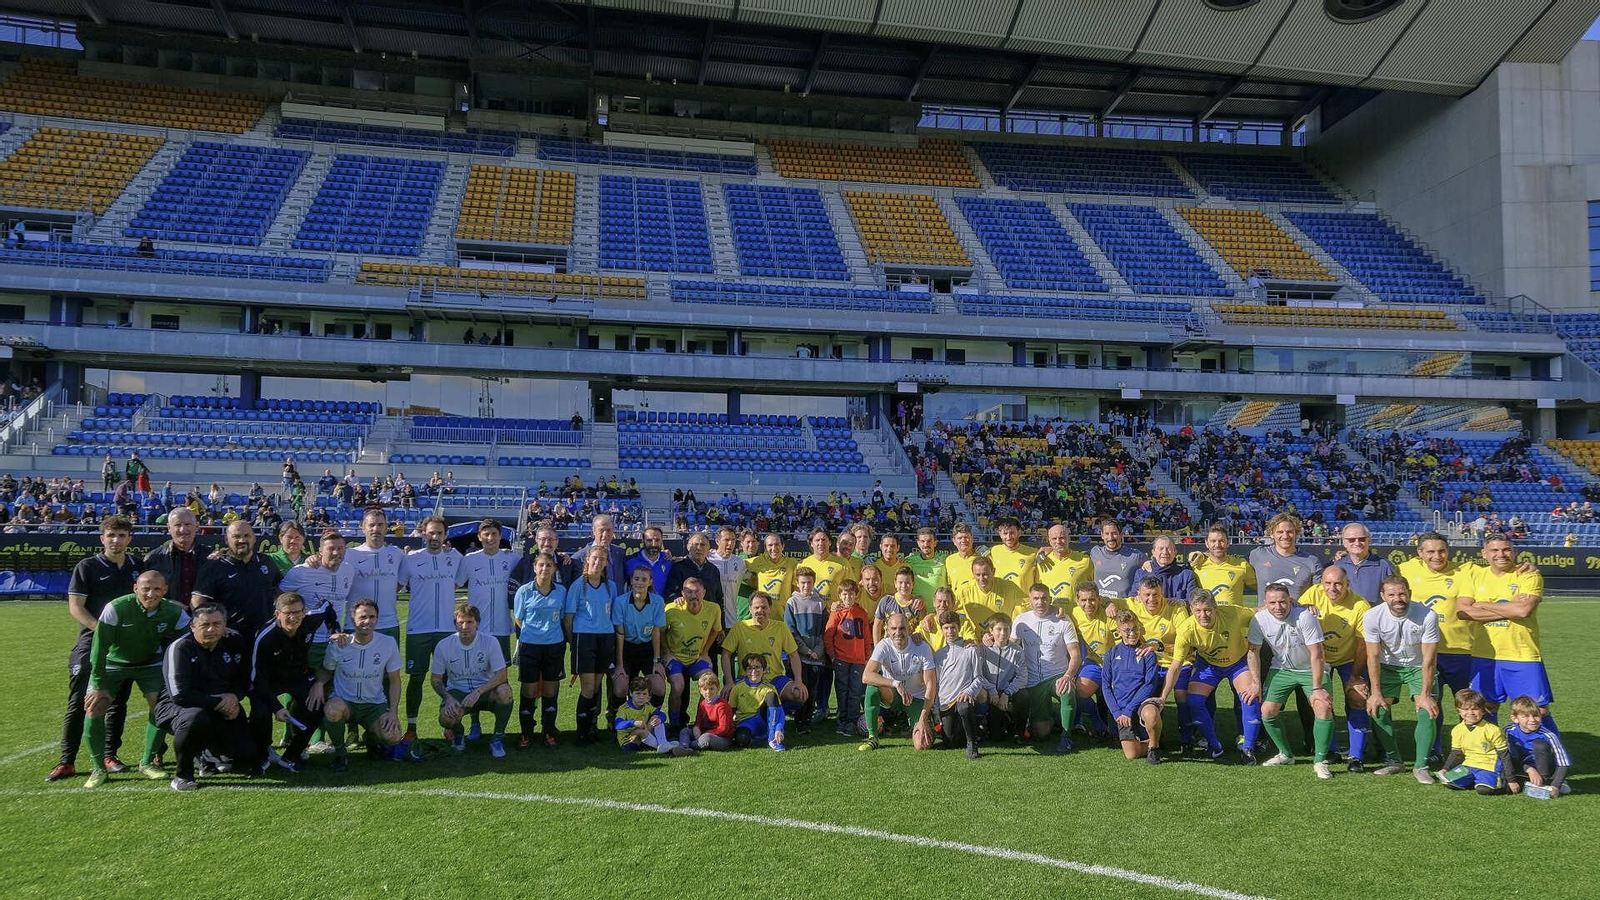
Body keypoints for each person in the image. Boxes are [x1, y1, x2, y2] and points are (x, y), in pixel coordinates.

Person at [50, 516, 143, 783]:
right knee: (81, 700)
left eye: (122, 535)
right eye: (111, 535)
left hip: (126, 645)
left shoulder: (138, 567)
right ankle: (66, 761)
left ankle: (109, 755)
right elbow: (76, 607)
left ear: (129, 539)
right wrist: (104, 632)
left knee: (116, 703)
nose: (116, 540)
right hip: (92, 642)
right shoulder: (87, 566)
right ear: (102, 538)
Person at [81, 571, 189, 787]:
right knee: (95, 706)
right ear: (135, 588)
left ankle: (147, 762)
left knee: (160, 706)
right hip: (113, 662)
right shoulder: (116, 608)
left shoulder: (173, 612)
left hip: (150, 663)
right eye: (146, 588)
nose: (151, 593)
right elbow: (99, 648)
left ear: (165, 590)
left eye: (157, 589)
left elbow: (188, 640)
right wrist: (98, 684)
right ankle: (98, 768)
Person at [156, 603, 260, 791]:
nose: (211, 629)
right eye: (205, 625)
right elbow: (180, 695)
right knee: (196, 718)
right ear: (192, 626)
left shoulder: (235, 640)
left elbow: (245, 678)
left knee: (246, 754)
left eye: (217, 623)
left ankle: (209, 753)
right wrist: (220, 702)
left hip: (220, 704)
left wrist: (235, 697)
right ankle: (183, 775)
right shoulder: (180, 647)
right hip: (178, 708)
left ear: (225, 624)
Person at [1458, 534, 1553, 731]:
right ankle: (1487, 756)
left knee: (1536, 711)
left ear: (1514, 552)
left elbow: (1523, 610)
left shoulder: (1528, 575)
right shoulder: (1474, 575)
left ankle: (1549, 757)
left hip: (1522, 654)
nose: (1501, 554)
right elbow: (1463, 612)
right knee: (1483, 709)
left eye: (1506, 549)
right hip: (1484, 655)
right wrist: (1509, 610)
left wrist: (1483, 604)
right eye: (1494, 550)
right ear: (1484, 554)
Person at [1159, 591, 1262, 763]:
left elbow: (1258, 612)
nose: (1203, 615)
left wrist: (1291, 604)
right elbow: (1176, 666)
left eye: (1207, 610)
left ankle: (1248, 749)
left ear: (1215, 608)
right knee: (1193, 701)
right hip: (1208, 666)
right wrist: (1163, 696)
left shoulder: (1233, 613)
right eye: (1198, 610)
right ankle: (1215, 746)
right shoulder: (1186, 629)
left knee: (1250, 697)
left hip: (1237, 663)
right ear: (1191, 609)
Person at [1248, 584, 1335, 778]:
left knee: (1322, 706)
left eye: (1282, 601)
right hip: (1282, 669)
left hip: (1309, 669)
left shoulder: (1305, 616)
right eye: (1272, 602)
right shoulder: (1259, 619)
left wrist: (1317, 687)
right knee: (1267, 711)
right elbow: (1253, 652)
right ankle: (1285, 754)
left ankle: (1321, 761)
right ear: (1265, 603)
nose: (1278, 606)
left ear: (1290, 601)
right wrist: (1255, 682)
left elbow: (1317, 654)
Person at [1362, 575, 1442, 783]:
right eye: (1391, 594)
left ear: (1410, 594)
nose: (1398, 598)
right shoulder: (1372, 616)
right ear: (1382, 596)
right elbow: (1372, 656)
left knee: (1427, 710)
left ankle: (1421, 766)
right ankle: (1394, 761)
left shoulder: (1428, 615)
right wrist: (1376, 693)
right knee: (1377, 708)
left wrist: (1424, 694)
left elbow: (1429, 659)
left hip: (1418, 667)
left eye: (1402, 593)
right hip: (1388, 667)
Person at [250, 590, 339, 773]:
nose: (293, 617)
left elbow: (326, 605)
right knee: (259, 711)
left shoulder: (311, 619)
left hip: (298, 675)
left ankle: (293, 754)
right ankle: (262, 753)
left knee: (317, 703)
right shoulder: (265, 636)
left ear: (304, 612)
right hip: (269, 681)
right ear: (277, 614)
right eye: (288, 613)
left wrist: (334, 630)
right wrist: (276, 707)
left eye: (298, 612)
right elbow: (257, 677)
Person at [1299, 565, 1374, 772]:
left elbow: (1363, 644)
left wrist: (1356, 676)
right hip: (1320, 659)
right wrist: (1303, 605)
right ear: (1321, 583)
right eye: (1328, 583)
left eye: (1338, 583)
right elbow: (1294, 607)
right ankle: (1329, 750)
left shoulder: (1360, 605)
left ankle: (1356, 756)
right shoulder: (1313, 593)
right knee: (1323, 701)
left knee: (1357, 697)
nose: (1333, 588)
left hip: (1349, 658)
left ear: (1347, 584)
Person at [398, 515, 463, 746]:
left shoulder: (455, 558)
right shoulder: (410, 559)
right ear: (423, 533)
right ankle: (412, 727)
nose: (434, 537)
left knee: (447, 679)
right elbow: (398, 586)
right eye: (430, 533)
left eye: (439, 533)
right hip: (418, 629)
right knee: (416, 678)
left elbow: (458, 583)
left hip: (446, 629)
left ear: (445, 535)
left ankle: (449, 725)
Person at [318, 599, 404, 772]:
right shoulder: (339, 644)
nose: (368, 621)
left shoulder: (388, 643)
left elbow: (395, 680)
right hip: (346, 703)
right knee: (332, 710)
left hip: (374, 705)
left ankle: (371, 739)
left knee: (393, 737)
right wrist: (318, 684)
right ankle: (340, 754)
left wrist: (393, 712)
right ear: (353, 619)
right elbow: (327, 671)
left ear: (377, 619)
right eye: (363, 617)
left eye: (372, 617)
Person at [431, 602, 513, 758]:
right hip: (458, 693)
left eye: (469, 622)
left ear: (478, 624)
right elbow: (435, 679)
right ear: (455, 625)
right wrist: (447, 698)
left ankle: (497, 739)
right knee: (445, 718)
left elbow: (502, 675)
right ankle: (458, 733)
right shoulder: (443, 645)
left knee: (505, 692)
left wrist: (478, 692)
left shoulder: (490, 642)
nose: (465, 626)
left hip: (485, 691)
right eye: (460, 622)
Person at [1011, 584, 1082, 752]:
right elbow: (1011, 648)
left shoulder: (1063, 620)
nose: (1040, 602)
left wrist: (1068, 676)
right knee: (1042, 733)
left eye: (1044, 598)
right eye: (1036, 598)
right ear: (1029, 601)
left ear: (1050, 599)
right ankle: (1059, 716)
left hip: (1058, 675)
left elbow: (1075, 654)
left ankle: (1066, 736)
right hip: (1034, 680)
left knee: (1067, 689)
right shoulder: (1021, 620)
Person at [859, 612, 937, 752]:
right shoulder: (884, 645)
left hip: (916, 698)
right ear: (887, 631)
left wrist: (923, 718)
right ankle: (873, 737)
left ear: (909, 629)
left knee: (922, 745)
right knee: (872, 687)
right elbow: (866, 676)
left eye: (902, 628)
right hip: (893, 695)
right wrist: (896, 684)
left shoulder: (922, 647)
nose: (898, 633)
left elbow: (931, 685)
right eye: (893, 629)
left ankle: (915, 722)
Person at [513, 553, 569, 747]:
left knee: (550, 690)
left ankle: (548, 731)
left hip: (554, 646)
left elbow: (562, 617)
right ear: (535, 568)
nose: (545, 569)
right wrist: (535, 632)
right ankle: (526, 733)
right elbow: (518, 619)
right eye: (541, 565)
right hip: (530, 646)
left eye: (549, 565)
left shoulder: (561, 591)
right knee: (528, 690)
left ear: (554, 569)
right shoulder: (524, 591)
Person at [193, 520, 282, 638]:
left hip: (264, 635)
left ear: (254, 538)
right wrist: (217, 628)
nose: (242, 540)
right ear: (226, 540)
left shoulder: (266, 561)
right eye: (236, 536)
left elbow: (280, 591)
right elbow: (198, 602)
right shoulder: (214, 566)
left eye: (246, 536)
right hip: (229, 637)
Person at [720, 592, 808, 712]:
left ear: (770, 609)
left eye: (764, 607)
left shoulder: (781, 627)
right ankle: (758, 716)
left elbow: (793, 655)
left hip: (774, 678)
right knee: (727, 695)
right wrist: (729, 682)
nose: (760, 611)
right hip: (747, 679)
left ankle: (772, 714)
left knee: (799, 694)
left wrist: (798, 680)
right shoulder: (740, 627)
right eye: (756, 607)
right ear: (750, 609)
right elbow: (726, 654)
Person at [566, 550, 617, 745]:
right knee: (587, 686)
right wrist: (574, 642)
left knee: (596, 686)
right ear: (588, 560)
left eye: (602, 559)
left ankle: (591, 730)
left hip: (605, 638)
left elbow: (612, 613)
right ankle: (581, 733)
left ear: (606, 563)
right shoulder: (578, 586)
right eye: (594, 558)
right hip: (584, 638)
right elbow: (568, 618)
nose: (598, 561)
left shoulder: (611, 586)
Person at [1102, 613, 1163, 764]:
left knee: (1151, 714)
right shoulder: (1111, 654)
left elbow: (1149, 685)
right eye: (1127, 630)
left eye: (1135, 629)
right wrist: (1117, 712)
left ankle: (1154, 748)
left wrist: (1130, 709)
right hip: (1122, 710)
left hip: (1141, 704)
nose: (1132, 633)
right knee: (1131, 754)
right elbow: (1106, 685)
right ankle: (1152, 739)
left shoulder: (1147, 654)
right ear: (1119, 631)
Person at [663, 577, 721, 729]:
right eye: (689, 591)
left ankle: (702, 722)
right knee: (678, 685)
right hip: (675, 658)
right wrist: (667, 653)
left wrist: (705, 652)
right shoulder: (671, 609)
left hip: (696, 659)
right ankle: (675, 725)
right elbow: (660, 632)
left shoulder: (714, 609)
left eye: (697, 591)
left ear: (704, 593)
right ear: (682, 593)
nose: (693, 595)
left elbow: (716, 631)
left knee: (710, 681)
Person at [458, 519, 516, 668]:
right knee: (477, 670)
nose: (490, 538)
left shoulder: (512, 558)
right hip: (477, 627)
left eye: (494, 534)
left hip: (502, 626)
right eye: (486, 534)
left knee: (501, 672)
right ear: (479, 536)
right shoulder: (469, 560)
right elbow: (454, 584)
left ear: (500, 536)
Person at [611, 567, 667, 722]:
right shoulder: (621, 602)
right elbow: (620, 635)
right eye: (636, 579)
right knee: (621, 686)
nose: (640, 583)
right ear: (631, 581)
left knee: (658, 686)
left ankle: (651, 718)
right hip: (626, 648)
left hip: (647, 649)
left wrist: (657, 661)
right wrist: (620, 664)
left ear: (650, 582)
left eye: (644, 579)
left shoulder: (657, 602)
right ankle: (616, 718)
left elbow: (656, 632)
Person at [932, 611, 987, 759]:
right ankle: (978, 729)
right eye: (946, 628)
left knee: (964, 706)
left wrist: (969, 692)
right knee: (950, 742)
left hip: (964, 698)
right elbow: (936, 684)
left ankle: (972, 743)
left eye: (953, 627)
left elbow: (979, 678)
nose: (950, 631)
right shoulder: (938, 655)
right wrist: (936, 710)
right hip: (945, 703)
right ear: (942, 629)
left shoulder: (970, 649)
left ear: (959, 627)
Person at [346, 507, 405, 643]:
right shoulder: (350, 554)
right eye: (371, 525)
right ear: (363, 527)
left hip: (389, 624)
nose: (375, 529)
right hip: (355, 624)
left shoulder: (397, 554)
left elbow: (402, 580)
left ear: (386, 528)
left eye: (380, 525)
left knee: (389, 664)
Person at [1435, 688, 1507, 794]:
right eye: (1465, 709)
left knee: (1484, 790)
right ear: (1458, 711)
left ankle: (1489, 780)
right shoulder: (1457, 730)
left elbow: (1504, 754)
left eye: (1475, 709)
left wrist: (1511, 779)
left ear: (1483, 710)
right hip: (1468, 765)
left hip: (1488, 766)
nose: (1470, 713)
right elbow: (1456, 752)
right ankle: (1474, 779)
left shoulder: (1493, 729)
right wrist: (1445, 769)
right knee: (1448, 781)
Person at [785, 569, 830, 732]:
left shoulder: (820, 603)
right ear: (797, 583)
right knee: (801, 688)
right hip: (800, 656)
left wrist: (818, 650)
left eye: (809, 582)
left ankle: (807, 720)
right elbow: (790, 631)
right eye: (803, 582)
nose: (806, 585)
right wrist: (805, 650)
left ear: (814, 583)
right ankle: (799, 720)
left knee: (813, 689)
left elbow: (826, 630)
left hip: (817, 656)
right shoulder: (792, 602)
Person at [825, 582, 872, 739]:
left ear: (856, 595)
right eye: (844, 594)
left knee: (855, 691)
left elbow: (866, 636)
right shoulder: (837, 613)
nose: (848, 597)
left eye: (851, 594)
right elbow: (828, 635)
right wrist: (832, 655)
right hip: (841, 659)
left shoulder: (861, 612)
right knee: (842, 689)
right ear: (840, 595)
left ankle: (852, 720)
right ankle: (842, 719)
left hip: (858, 659)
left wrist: (867, 655)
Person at [1067, 584, 1114, 736]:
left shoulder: (1110, 614)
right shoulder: (1073, 614)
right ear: (1077, 600)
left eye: (1092, 600)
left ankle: (1120, 729)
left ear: (1099, 599)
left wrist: (1109, 603)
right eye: (1084, 600)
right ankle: (1098, 725)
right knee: (1079, 690)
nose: (1088, 604)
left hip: (1113, 664)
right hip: (1093, 663)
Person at [142, 507, 210, 610]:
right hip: (166, 618)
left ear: (197, 526)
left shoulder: (210, 558)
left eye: (187, 524)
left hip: (203, 620)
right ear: (169, 528)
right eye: (177, 525)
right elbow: (144, 593)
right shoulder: (153, 558)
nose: (183, 529)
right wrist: (168, 604)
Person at [1503, 695, 1571, 798]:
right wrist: (1529, 769)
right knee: (1504, 784)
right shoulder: (1508, 731)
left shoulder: (1548, 735)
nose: (1532, 719)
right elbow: (1506, 755)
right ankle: (1531, 780)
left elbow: (1564, 762)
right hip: (1522, 766)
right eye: (1526, 716)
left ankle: (1547, 781)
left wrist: (1556, 785)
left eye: (1536, 715)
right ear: (1515, 718)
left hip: (1545, 767)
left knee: (1540, 745)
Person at [1249, 513, 1323, 599]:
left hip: (1299, 612)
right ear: (1271, 534)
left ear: (1296, 533)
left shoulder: (1312, 562)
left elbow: (1319, 596)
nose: (1285, 536)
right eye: (1280, 532)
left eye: (1290, 532)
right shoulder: (1258, 555)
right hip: (1266, 612)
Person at [977, 613, 1026, 741]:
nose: (1003, 633)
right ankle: (989, 721)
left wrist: (1007, 693)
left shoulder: (1016, 650)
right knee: (996, 737)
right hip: (990, 692)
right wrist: (991, 689)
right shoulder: (983, 649)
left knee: (1023, 696)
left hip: (1006, 691)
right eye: (999, 629)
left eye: (1006, 629)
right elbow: (978, 674)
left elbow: (1022, 677)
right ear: (991, 630)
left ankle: (1019, 732)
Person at [615, 675, 692, 755]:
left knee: (656, 717)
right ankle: (669, 747)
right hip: (629, 741)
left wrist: (659, 719)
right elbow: (618, 725)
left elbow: (662, 715)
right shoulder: (624, 708)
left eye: (644, 694)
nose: (641, 697)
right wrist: (633, 722)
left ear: (648, 695)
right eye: (638, 694)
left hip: (644, 738)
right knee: (640, 731)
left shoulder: (647, 705)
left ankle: (664, 744)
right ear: (631, 693)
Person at [728, 654, 787, 751]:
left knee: (771, 696)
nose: (754, 671)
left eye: (757, 667)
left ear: (764, 669)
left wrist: (779, 729)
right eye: (750, 668)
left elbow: (780, 711)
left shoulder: (769, 688)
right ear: (745, 671)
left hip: (764, 721)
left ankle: (772, 737)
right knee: (741, 740)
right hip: (745, 722)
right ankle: (761, 738)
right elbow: (730, 711)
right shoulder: (737, 688)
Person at [955, 557, 1024, 640]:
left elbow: (1022, 613)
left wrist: (1012, 637)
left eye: (985, 574)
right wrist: (970, 638)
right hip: (976, 644)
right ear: (972, 574)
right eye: (977, 575)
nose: (981, 579)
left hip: (1004, 640)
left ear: (993, 571)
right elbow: (953, 615)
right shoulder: (963, 591)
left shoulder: (1010, 588)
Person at [1187, 525, 1253, 606]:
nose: (1217, 545)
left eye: (1221, 541)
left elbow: (1262, 586)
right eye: (1213, 541)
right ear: (1206, 543)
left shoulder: (1242, 564)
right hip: (1206, 617)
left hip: (1232, 618)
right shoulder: (1197, 565)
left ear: (1228, 542)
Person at [1333, 522, 1396, 604]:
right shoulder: (1338, 565)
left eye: (1362, 539)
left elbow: (1394, 594)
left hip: (1374, 615)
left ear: (1369, 540)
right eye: (1351, 540)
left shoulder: (1384, 565)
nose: (1357, 543)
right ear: (1344, 542)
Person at [1035, 524, 1093, 604]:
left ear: (1069, 538)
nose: (1058, 542)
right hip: (1049, 615)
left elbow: (1095, 588)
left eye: (1062, 538)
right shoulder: (1041, 561)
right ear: (1049, 541)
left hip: (1074, 615)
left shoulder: (1085, 560)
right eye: (1054, 539)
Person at [679, 670, 734, 751]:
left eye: (711, 688)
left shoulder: (722, 705)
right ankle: (684, 747)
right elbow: (698, 722)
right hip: (704, 733)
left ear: (717, 688)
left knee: (706, 738)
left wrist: (705, 733)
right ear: (700, 691)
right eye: (705, 689)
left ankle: (690, 745)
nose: (708, 692)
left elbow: (723, 729)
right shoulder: (702, 704)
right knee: (685, 731)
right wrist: (696, 728)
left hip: (722, 738)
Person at [794, 528, 850, 607]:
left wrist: (841, 603)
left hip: (835, 614)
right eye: (817, 540)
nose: (821, 543)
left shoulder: (842, 564)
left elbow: (851, 589)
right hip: (810, 613)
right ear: (811, 543)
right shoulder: (802, 564)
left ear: (830, 542)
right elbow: (797, 592)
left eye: (824, 540)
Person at [746, 533, 796, 619]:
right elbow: (737, 563)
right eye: (770, 545)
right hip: (762, 618)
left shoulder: (792, 563)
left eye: (777, 544)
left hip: (783, 618)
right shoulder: (757, 561)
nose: (774, 548)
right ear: (765, 548)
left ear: (783, 546)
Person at [709, 526, 749, 632]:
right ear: (717, 541)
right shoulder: (707, 558)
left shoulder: (740, 562)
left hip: (731, 622)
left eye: (733, 540)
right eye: (726, 540)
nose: (730, 543)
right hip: (709, 622)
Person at [1139, 535, 1198, 602]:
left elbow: (1192, 602)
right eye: (1161, 548)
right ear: (1153, 552)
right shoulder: (1141, 573)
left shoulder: (1186, 575)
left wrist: (1180, 603)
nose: (1165, 552)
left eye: (1169, 549)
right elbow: (1134, 599)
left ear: (1175, 552)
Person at [874, 567, 922, 644]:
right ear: (895, 583)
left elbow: (922, 626)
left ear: (913, 584)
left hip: (910, 646)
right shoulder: (886, 601)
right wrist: (877, 647)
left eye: (907, 583)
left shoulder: (918, 604)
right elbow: (877, 625)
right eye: (900, 582)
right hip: (890, 646)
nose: (904, 586)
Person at [987, 517, 1037, 588]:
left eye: (1012, 533)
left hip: (1023, 599)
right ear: (1000, 534)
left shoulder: (1033, 553)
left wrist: (1049, 549)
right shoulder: (993, 551)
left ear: (1019, 533)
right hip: (1001, 598)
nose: (1008, 537)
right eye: (1005, 533)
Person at [624, 526, 673, 597]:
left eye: (657, 540)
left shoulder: (668, 561)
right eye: (649, 540)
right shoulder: (630, 562)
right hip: (637, 606)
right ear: (643, 540)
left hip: (661, 606)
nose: (654, 544)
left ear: (662, 541)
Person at [905, 527, 948, 604]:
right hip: (916, 610)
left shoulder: (945, 560)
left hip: (939, 610)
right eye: (922, 541)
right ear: (918, 543)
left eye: (929, 541)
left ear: (935, 542)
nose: (926, 544)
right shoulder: (909, 561)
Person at [945, 524, 981, 595]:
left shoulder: (982, 559)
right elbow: (949, 585)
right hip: (958, 603)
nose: (963, 540)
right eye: (959, 538)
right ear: (954, 541)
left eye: (966, 537)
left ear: (972, 538)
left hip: (979, 603)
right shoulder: (949, 560)